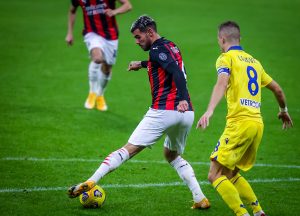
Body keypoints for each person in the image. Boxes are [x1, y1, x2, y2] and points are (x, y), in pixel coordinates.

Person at [67, 15, 210, 209]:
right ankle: (200, 198)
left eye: (138, 37)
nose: (136, 41)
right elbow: (166, 63)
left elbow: (175, 71)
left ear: (149, 32)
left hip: (164, 110)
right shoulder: (170, 46)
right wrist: (141, 64)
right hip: (186, 114)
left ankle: (91, 180)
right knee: (172, 155)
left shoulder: (157, 49)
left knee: (127, 150)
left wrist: (182, 97)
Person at [197, 21, 293, 216]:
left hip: (239, 124)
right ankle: (258, 211)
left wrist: (209, 110)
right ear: (239, 39)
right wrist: (283, 110)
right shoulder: (255, 62)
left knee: (214, 175)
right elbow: (278, 89)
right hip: (257, 125)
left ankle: (243, 214)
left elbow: (222, 83)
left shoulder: (226, 58)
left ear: (222, 39)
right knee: (231, 174)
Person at [66, 0, 132, 111]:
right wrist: (69, 33)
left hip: (111, 35)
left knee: (107, 68)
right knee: (97, 58)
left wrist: (115, 11)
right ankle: (92, 92)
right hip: (91, 33)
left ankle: (100, 94)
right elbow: (72, 11)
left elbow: (128, 5)